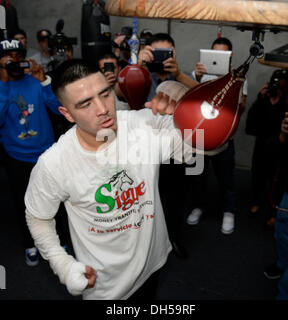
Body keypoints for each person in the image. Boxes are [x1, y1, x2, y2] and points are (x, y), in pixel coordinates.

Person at [24, 58, 193, 300]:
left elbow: (203, 143)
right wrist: (62, 265)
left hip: (153, 263)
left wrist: (186, 106)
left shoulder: (143, 124)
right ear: (67, 113)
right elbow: (38, 217)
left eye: (105, 94)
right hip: (105, 285)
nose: (103, 109)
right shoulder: (54, 164)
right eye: (85, 104)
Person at [0, 38, 62, 266]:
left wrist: (45, 81)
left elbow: (59, 110)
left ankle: (58, 240)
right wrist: (4, 85)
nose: (15, 60)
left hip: (46, 154)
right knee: (25, 204)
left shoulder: (36, 81)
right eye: (9, 57)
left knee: (55, 200)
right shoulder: (1, 87)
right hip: (17, 157)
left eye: (19, 55)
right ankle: (30, 242)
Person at [138, 33, 198, 258]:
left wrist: (178, 74)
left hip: (176, 152)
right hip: (145, 150)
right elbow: (120, 93)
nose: (162, 58)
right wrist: (138, 66)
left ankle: (173, 237)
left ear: (174, 54)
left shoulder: (184, 77)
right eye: (157, 53)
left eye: (167, 53)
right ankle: (147, 245)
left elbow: (204, 100)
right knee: (145, 201)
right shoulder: (142, 76)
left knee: (175, 200)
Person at [186, 37, 247, 235]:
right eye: (215, 53)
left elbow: (242, 107)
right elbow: (188, 101)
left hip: (223, 138)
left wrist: (231, 82)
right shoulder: (199, 75)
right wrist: (195, 76)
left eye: (223, 54)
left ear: (230, 57)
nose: (217, 58)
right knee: (197, 176)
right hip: (200, 137)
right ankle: (198, 206)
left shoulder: (238, 77)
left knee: (226, 178)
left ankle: (229, 211)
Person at [245, 69, 288, 228]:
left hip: (281, 149)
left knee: (277, 181)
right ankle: (257, 201)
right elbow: (250, 126)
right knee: (257, 176)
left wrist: (283, 100)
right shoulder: (264, 100)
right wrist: (261, 100)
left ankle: (273, 211)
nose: (277, 90)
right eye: (275, 85)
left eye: (281, 87)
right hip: (261, 146)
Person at [263, 107, 288, 300]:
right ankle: (281, 264)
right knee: (282, 233)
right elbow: (271, 151)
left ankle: (287, 295)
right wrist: (283, 135)